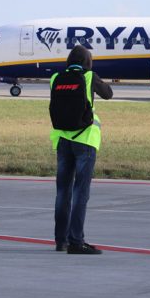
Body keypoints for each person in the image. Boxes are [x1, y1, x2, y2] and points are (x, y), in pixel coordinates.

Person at [49, 45, 113, 254]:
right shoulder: (89, 77)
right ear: (88, 62)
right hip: (84, 141)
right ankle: (76, 241)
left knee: (63, 192)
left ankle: (61, 240)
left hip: (62, 141)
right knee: (80, 192)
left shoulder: (55, 78)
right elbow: (108, 94)